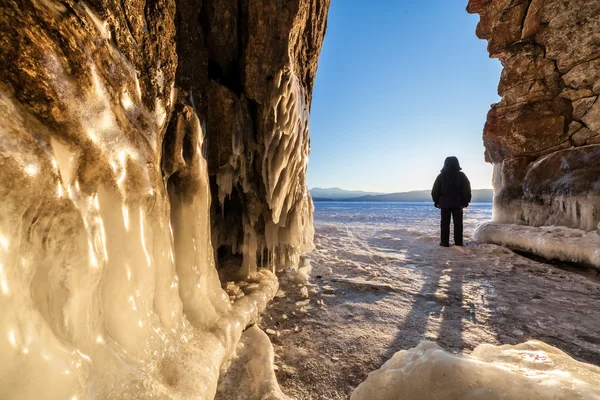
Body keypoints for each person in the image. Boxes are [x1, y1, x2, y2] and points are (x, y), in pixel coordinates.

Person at [431, 156, 471, 247]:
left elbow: (435, 190)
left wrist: (436, 201)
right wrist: (466, 201)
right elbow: (467, 189)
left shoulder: (441, 176)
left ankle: (444, 242)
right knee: (458, 225)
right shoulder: (461, 175)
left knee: (444, 224)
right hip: (458, 204)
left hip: (444, 204)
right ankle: (458, 242)